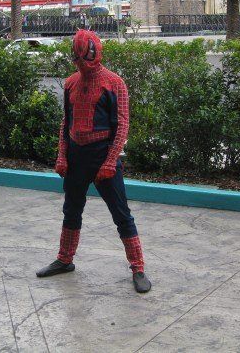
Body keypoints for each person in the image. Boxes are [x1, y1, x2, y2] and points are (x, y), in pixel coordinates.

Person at [36, 29, 151, 293]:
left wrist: (110, 161)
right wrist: (62, 155)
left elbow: (122, 125)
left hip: (103, 154)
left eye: (85, 57)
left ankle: (138, 267)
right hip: (77, 156)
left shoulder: (114, 83)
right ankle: (65, 259)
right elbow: (66, 123)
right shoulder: (71, 83)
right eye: (78, 59)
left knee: (121, 214)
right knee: (71, 210)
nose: (82, 64)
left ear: (95, 52)